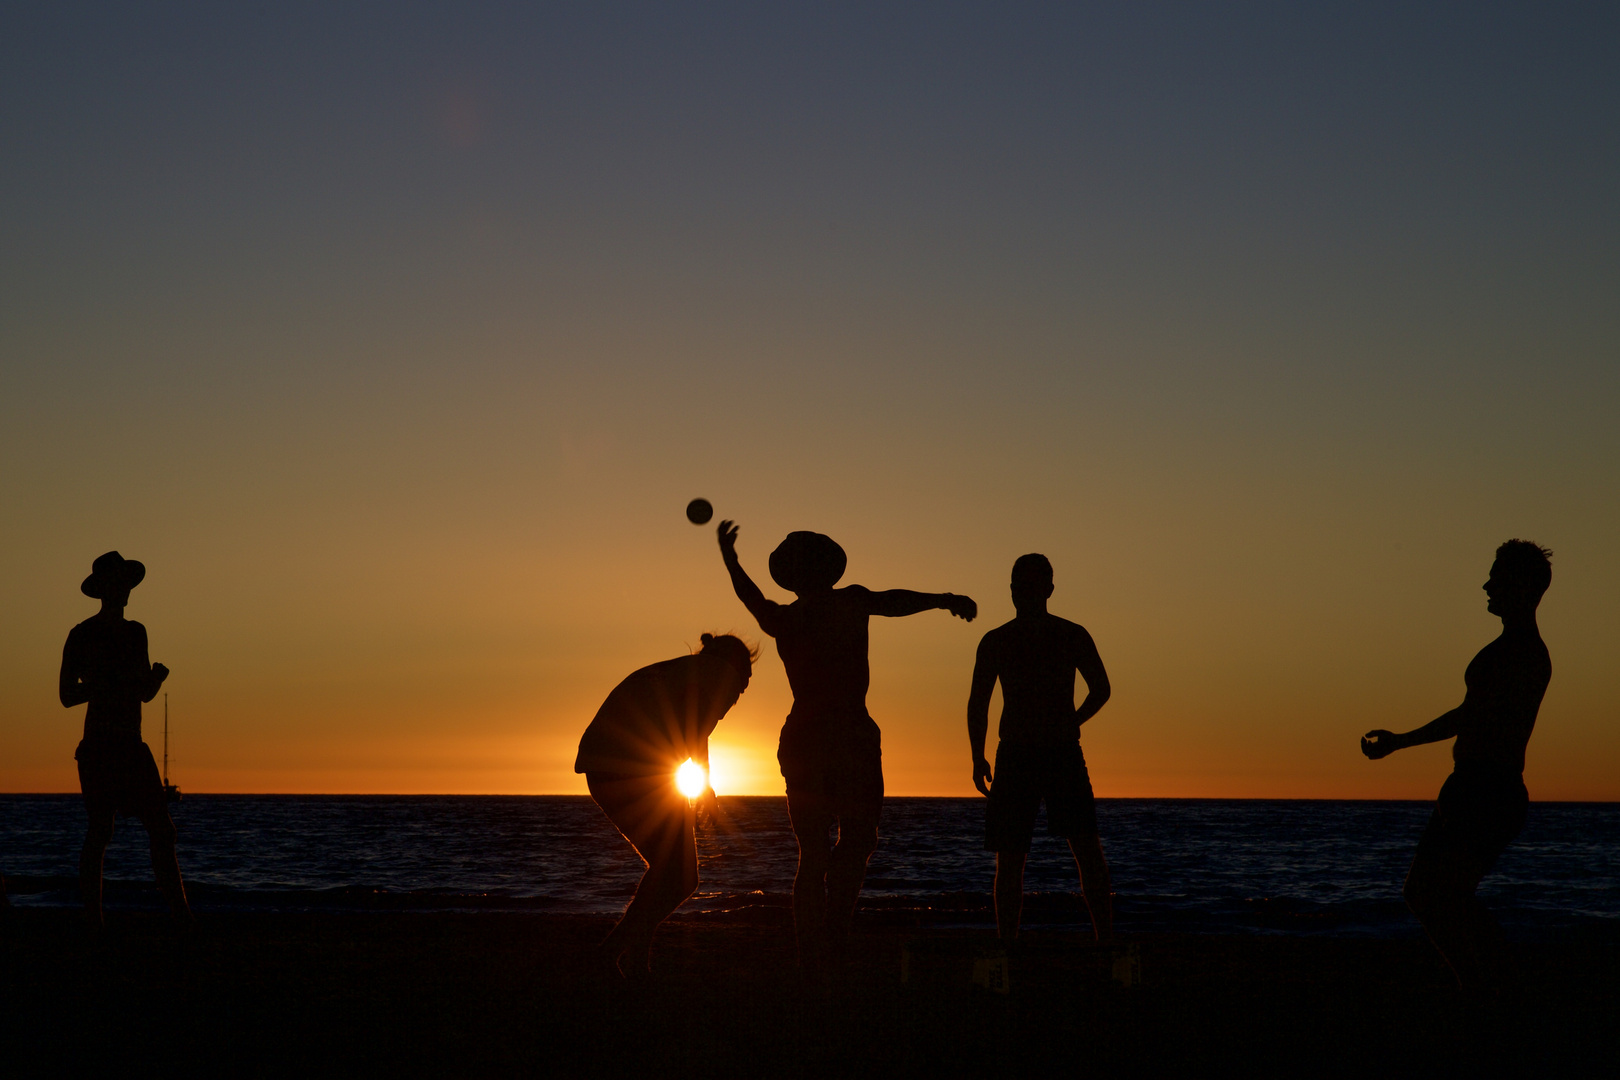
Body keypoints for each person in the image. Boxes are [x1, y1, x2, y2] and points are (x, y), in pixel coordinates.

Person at [717, 519, 977, 967]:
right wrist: (731, 560)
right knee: (824, 848)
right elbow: (753, 598)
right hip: (825, 736)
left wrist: (943, 600)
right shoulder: (802, 614)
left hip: (839, 734)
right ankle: (818, 945)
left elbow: (893, 602)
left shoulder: (839, 604)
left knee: (850, 842)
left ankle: (829, 936)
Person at [1361, 539, 1553, 991]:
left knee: (1441, 895)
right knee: (1428, 893)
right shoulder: (1510, 647)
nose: (1486, 585)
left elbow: (1471, 714)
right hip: (1473, 786)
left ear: (1521, 586)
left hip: (1488, 789)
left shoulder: (1522, 652)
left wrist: (1400, 742)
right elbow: (1471, 711)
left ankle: (1494, 985)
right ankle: (1483, 983)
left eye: (1496, 578)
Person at [576, 632, 756, 977]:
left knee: (668, 870)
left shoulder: (683, 669)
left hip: (603, 765)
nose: (743, 690)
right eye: (746, 679)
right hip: (632, 767)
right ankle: (610, 954)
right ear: (737, 667)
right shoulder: (721, 675)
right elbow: (695, 730)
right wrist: (705, 791)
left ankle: (636, 962)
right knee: (682, 876)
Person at [967, 554, 1113, 945]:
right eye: (1018, 585)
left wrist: (1073, 721)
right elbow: (978, 701)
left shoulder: (1069, 634)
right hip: (1015, 752)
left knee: (1083, 845)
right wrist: (977, 754)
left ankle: (1105, 940)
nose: (1023, 593)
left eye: (1031, 585)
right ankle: (1008, 944)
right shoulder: (998, 640)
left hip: (1059, 750)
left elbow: (1101, 688)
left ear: (1048, 589)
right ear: (1011, 589)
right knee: (1012, 856)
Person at [59, 551, 191, 929]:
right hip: (101, 743)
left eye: (127, 584)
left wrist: (156, 679)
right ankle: (94, 921)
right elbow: (68, 695)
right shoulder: (82, 634)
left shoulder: (136, 632)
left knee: (161, 830)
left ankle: (181, 915)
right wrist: (108, 685)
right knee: (102, 831)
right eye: (119, 583)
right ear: (105, 589)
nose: (126, 591)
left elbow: (143, 694)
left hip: (131, 743)